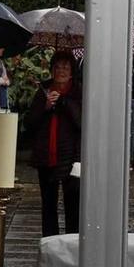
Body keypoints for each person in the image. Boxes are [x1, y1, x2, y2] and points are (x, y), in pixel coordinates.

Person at [27, 51, 83, 237]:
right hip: (46, 155)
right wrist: (46, 107)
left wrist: (63, 102)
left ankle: (71, 243)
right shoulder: (43, 90)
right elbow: (31, 122)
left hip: (70, 156)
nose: (61, 71)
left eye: (65, 67)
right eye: (57, 67)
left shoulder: (78, 91)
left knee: (72, 203)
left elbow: (81, 121)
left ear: (72, 71)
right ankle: (50, 242)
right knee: (48, 204)